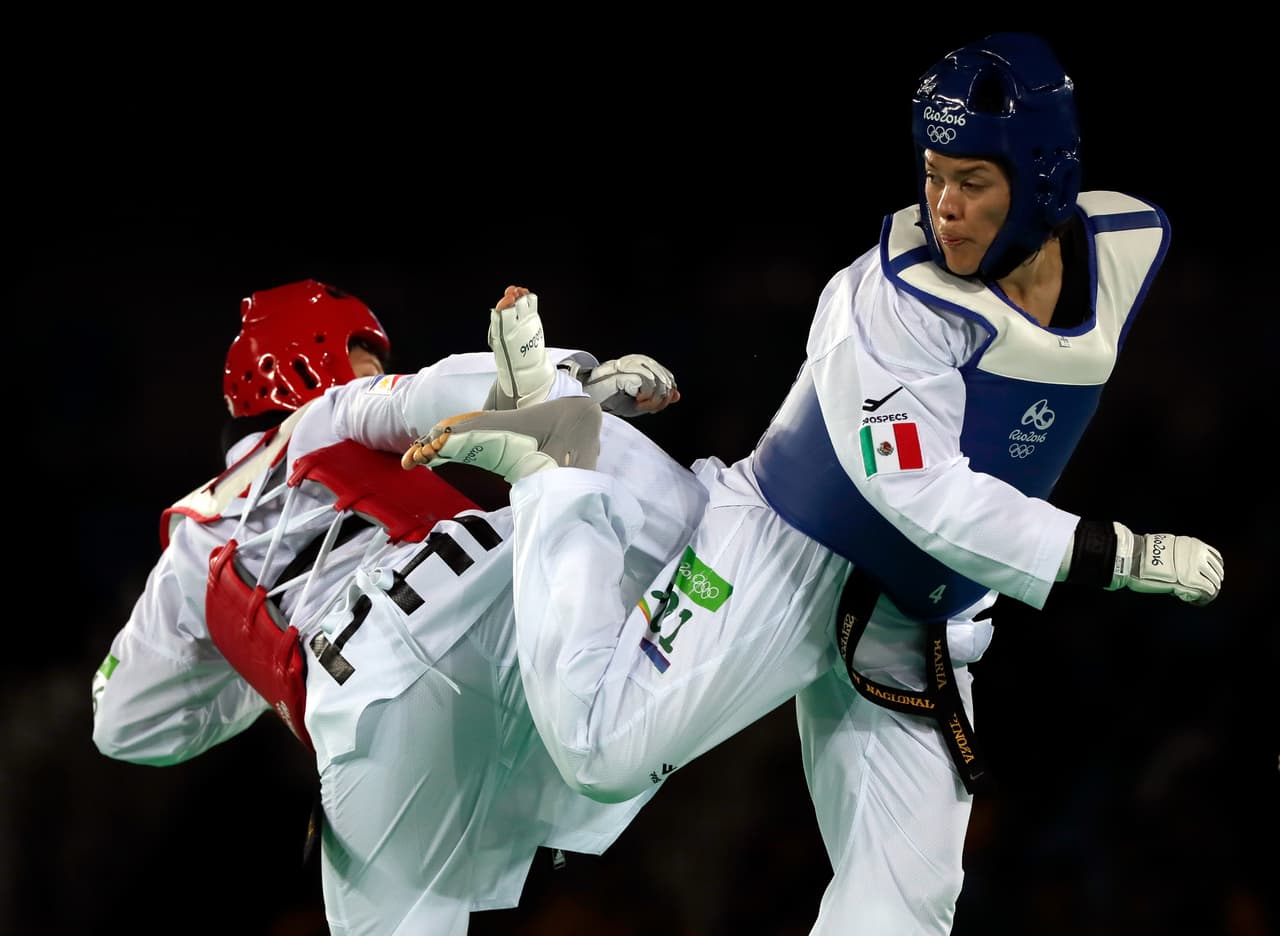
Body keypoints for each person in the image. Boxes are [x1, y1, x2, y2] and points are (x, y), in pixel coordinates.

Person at [406, 32, 1225, 934]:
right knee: (600, 752)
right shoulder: (889, 299)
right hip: (789, 551)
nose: (943, 207)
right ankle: (555, 467)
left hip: (921, 618)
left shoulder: (1125, 243)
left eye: (973, 183)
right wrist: (1116, 554)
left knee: (904, 906)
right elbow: (924, 495)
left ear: (1044, 181)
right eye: (933, 174)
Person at [91, 279, 704, 935]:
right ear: (305, 357)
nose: (375, 368)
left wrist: (272, 664)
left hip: (359, 710)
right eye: (362, 352)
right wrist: (577, 379)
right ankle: (764, 538)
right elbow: (439, 392)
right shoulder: (330, 413)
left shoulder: (188, 547)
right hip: (482, 602)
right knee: (619, 493)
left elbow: (126, 725)